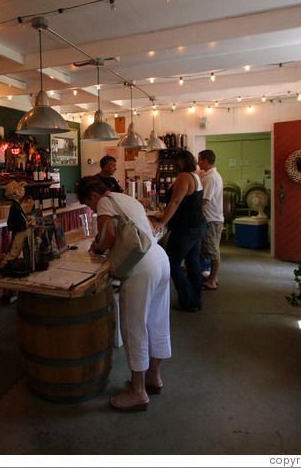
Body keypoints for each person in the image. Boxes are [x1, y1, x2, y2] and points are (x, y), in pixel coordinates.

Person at [77, 176, 171, 412]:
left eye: (89, 203)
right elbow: (149, 228)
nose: (91, 208)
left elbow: (107, 237)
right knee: (157, 322)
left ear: (94, 196)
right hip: (160, 258)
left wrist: (98, 246)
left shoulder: (104, 202)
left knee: (133, 328)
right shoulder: (128, 199)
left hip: (140, 267)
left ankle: (138, 392)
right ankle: (153, 378)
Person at [153, 150, 207, 312]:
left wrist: (162, 222)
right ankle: (195, 298)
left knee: (173, 263)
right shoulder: (195, 176)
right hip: (197, 226)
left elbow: (175, 202)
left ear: (180, 163)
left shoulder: (184, 177)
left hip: (186, 228)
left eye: (175, 162)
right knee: (193, 263)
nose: (173, 165)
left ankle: (189, 300)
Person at [197, 150, 224, 290]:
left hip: (211, 220)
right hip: (212, 219)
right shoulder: (209, 175)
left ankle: (212, 280)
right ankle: (211, 277)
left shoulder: (211, 177)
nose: (197, 163)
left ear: (206, 161)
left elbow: (204, 200)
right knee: (208, 249)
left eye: (199, 160)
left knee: (213, 252)